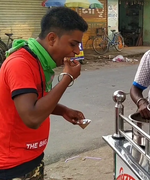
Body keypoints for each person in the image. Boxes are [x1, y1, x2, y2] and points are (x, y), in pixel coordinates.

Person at [0, 7, 88, 179]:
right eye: (73, 44)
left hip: (32, 157)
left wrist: (63, 110)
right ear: (52, 38)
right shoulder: (20, 64)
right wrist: (67, 78)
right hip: (13, 167)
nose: (77, 51)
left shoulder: (40, 62)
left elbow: (36, 100)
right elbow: (32, 117)